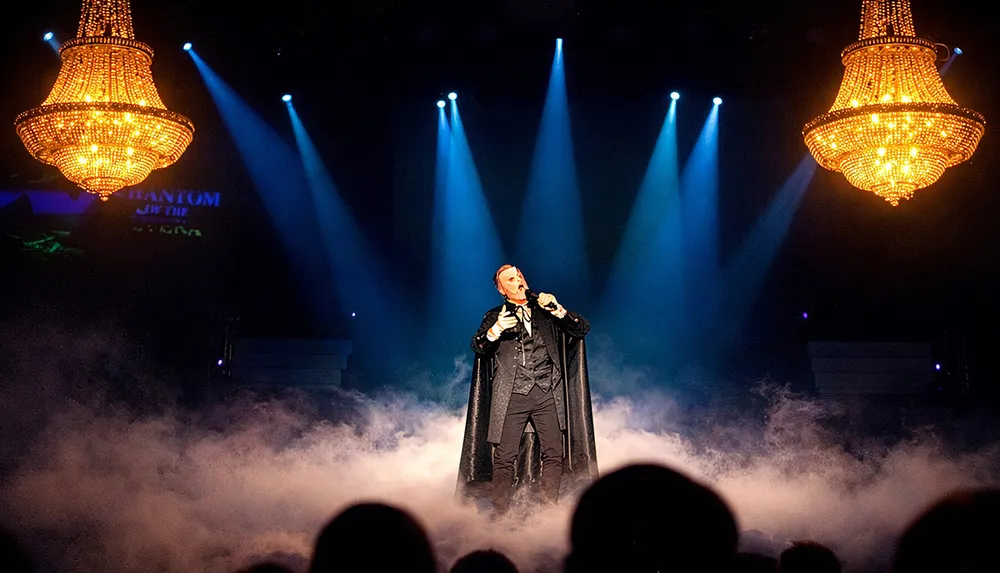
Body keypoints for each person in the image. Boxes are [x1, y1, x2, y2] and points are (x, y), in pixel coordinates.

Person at [456, 264, 598, 513]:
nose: (518, 281)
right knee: (504, 458)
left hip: (546, 392)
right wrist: (495, 330)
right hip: (512, 395)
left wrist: (559, 310)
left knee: (554, 453)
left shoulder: (545, 310)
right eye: (510, 279)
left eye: (519, 276)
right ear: (502, 290)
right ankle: (500, 513)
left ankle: (548, 509)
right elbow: (478, 346)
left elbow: (581, 328)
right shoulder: (494, 315)